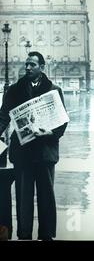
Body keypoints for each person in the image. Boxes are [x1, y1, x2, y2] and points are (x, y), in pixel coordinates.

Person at [0, 51, 68, 240]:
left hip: (45, 151)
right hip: (22, 152)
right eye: (27, 64)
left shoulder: (54, 90)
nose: (28, 67)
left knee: (46, 196)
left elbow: (63, 121)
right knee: (23, 197)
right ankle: (24, 235)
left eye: (33, 65)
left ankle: (46, 235)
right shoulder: (14, 90)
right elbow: (3, 117)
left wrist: (51, 133)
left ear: (42, 67)